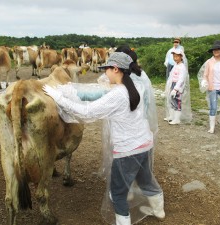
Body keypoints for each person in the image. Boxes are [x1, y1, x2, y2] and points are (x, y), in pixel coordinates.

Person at [43, 52, 165, 225]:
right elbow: (101, 92)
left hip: (128, 150)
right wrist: (72, 90)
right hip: (145, 144)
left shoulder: (118, 95)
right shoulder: (136, 86)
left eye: (106, 69)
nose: (105, 73)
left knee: (117, 193)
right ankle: (159, 211)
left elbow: (86, 112)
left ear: (115, 69)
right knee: (146, 179)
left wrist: (59, 98)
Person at [164, 48, 192, 124]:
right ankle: (172, 116)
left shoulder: (182, 67)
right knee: (171, 100)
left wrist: (176, 89)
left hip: (178, 87)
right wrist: (169, 86)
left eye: (177, 56)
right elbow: (171, 76)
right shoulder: (176, 65)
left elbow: (181, 79)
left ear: (181, 57)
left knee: (177, 101)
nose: (175, 58)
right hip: (173, 84)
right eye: (174, 56)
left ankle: (177, 119)